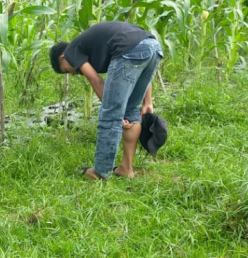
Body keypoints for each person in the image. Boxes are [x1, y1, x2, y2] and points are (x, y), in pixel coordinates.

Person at [49, 21, 163, 180]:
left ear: (63, 57)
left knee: (110, 114)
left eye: (68, 70)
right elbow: (140, 64)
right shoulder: (88, 47)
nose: (73, 73)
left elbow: (96, 81)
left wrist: (115, 111)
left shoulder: (71, 52)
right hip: (153, 47)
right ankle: (126, 169)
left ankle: (100, 173)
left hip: (131, 50)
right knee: (130, 110)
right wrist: (147, 102)